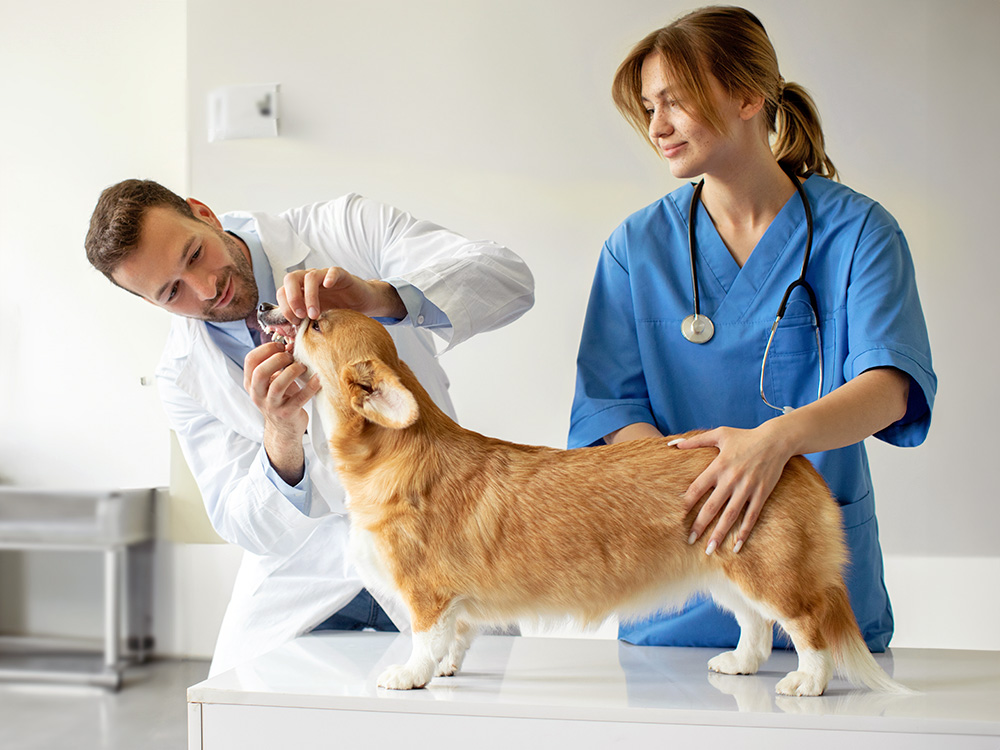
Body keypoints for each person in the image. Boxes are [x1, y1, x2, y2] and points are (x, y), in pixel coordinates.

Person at [569, 6, 935, 651]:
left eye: (675, 101)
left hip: (810, 583)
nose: (658, 126)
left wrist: (772, 444)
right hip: (674, 583)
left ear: (747, 96)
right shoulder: (636, 246)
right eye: (650, 108)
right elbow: (608, 405)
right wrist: (701, 480)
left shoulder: (860, 234)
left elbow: (890, 386)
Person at [85, 180, 534, 675]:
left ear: (204, 214)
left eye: (194, 254)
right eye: (173, 292)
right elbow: (241, 522)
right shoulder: (181, 373)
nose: (206, 288)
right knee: (236, 705)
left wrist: (378, 298)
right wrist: (280, 435)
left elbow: (509, 278)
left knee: (485, 695)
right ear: (153, 304)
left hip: (428, 522)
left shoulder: (345, 228)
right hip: (306, 569)